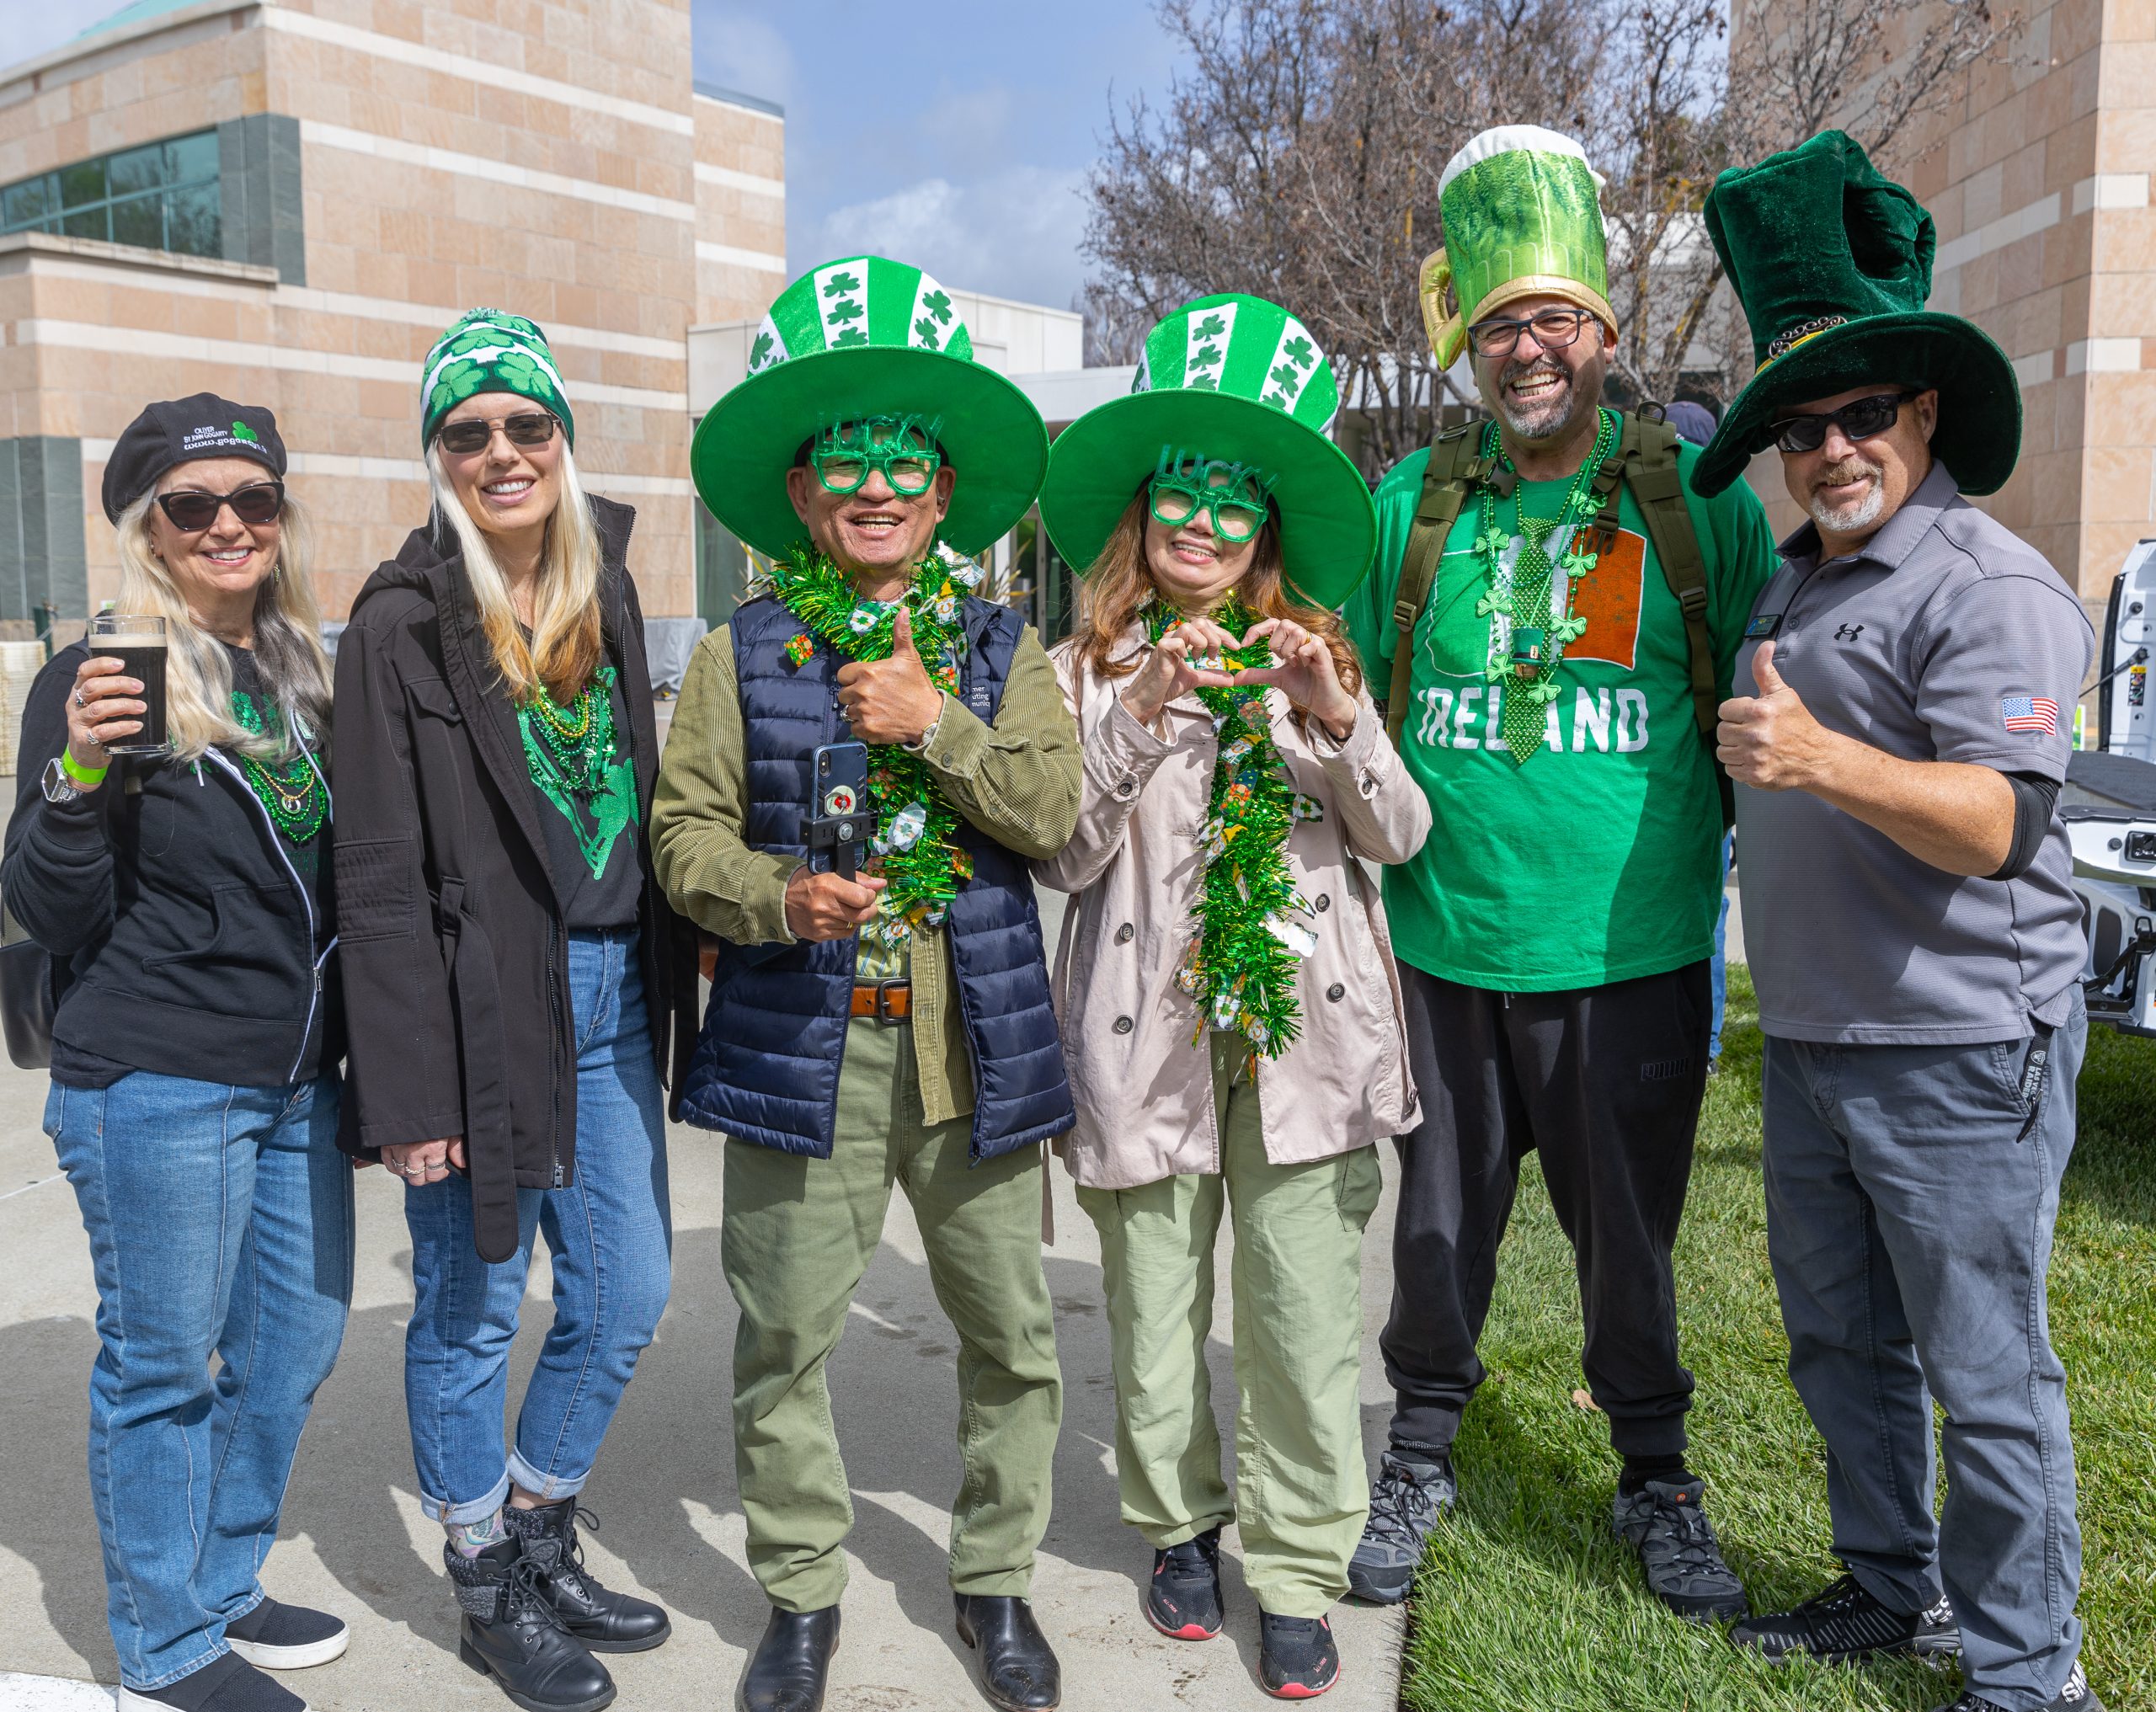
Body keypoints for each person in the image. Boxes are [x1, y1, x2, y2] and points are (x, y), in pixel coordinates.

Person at [1340, 125, 1780, 1619]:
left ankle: (1655, 1473)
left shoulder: (1695, 496)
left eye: (1554, 318)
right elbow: (1339, 693)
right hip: (1444, 944)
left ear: (1604, 329)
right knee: (1436, 1228)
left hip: (1631, 949)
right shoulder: (1414, 504)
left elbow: (1769, 696)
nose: (1525, 347)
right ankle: (1419, 1444)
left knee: (1631, 1245)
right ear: (1462, 331)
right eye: (1497, 320)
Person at [1694, 131, 2103, 1712]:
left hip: (1959, 1049)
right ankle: (1891, 1585)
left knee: (1987, 1377)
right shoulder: (1799, 579)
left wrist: (1819, 760)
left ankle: (2026, 1673)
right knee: (1840, 1346)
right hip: (1812, 1038)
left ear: (1925, 412)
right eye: (1801, 427)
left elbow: (2004, 822)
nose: (1831, 448)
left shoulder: (1989, 584)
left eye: (1863, 412)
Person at [652, 255, 1081, 1712]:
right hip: (805, 1049)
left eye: (906, 462)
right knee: (781, 1335)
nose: (878, 485)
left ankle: (996, 1581)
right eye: (850, 461)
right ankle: (800, 1593)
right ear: (805, 491)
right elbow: (682, 832)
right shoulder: (737, 650)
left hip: (971, 1054)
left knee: (1012, 1336)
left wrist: (936, 722)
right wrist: (776, 896)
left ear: (946, 493)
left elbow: (1051, 811)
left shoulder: (1004, 646)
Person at [1033, 294, 1430, 1699]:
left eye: (1232, 506)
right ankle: (1178, 1528)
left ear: (1266, 534)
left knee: (1302, 1307)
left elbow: (1399, 832)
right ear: (1141, 520)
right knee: (1150, 1307)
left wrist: (1328, 713)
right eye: (1178, 499)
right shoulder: (1077, 674)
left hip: (1303, 1045)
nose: (1202, 526)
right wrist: (1140, 711)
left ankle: (1304, 1565)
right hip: (1148, 1040)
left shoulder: (1312, 661)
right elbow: (1064, 846)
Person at [333, 311, 699, 1712]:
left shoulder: (604, 594)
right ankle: (482, 1573)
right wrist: (408, 1094)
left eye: (526, 425)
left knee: (626, 1294)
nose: (501, 450)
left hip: (609, 999)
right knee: (475, 1307)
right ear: (437, 454)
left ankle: (538, 1517)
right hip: (480, 1009)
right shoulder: (397, 625)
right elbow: (373, 882)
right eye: (467, 430)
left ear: (561, 439)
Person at [3, 397, 349, 1712]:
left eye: (252, 501)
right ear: (148, 526)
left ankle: (217, 1574)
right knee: (164, 1360)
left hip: (295, 1075)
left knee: (299, 1337)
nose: (227, 526)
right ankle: (164, 1643)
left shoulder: (300, 669)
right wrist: (79, 770)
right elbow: (48, 905)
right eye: (192, 505)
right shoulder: (97, 676)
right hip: (156, 1076)